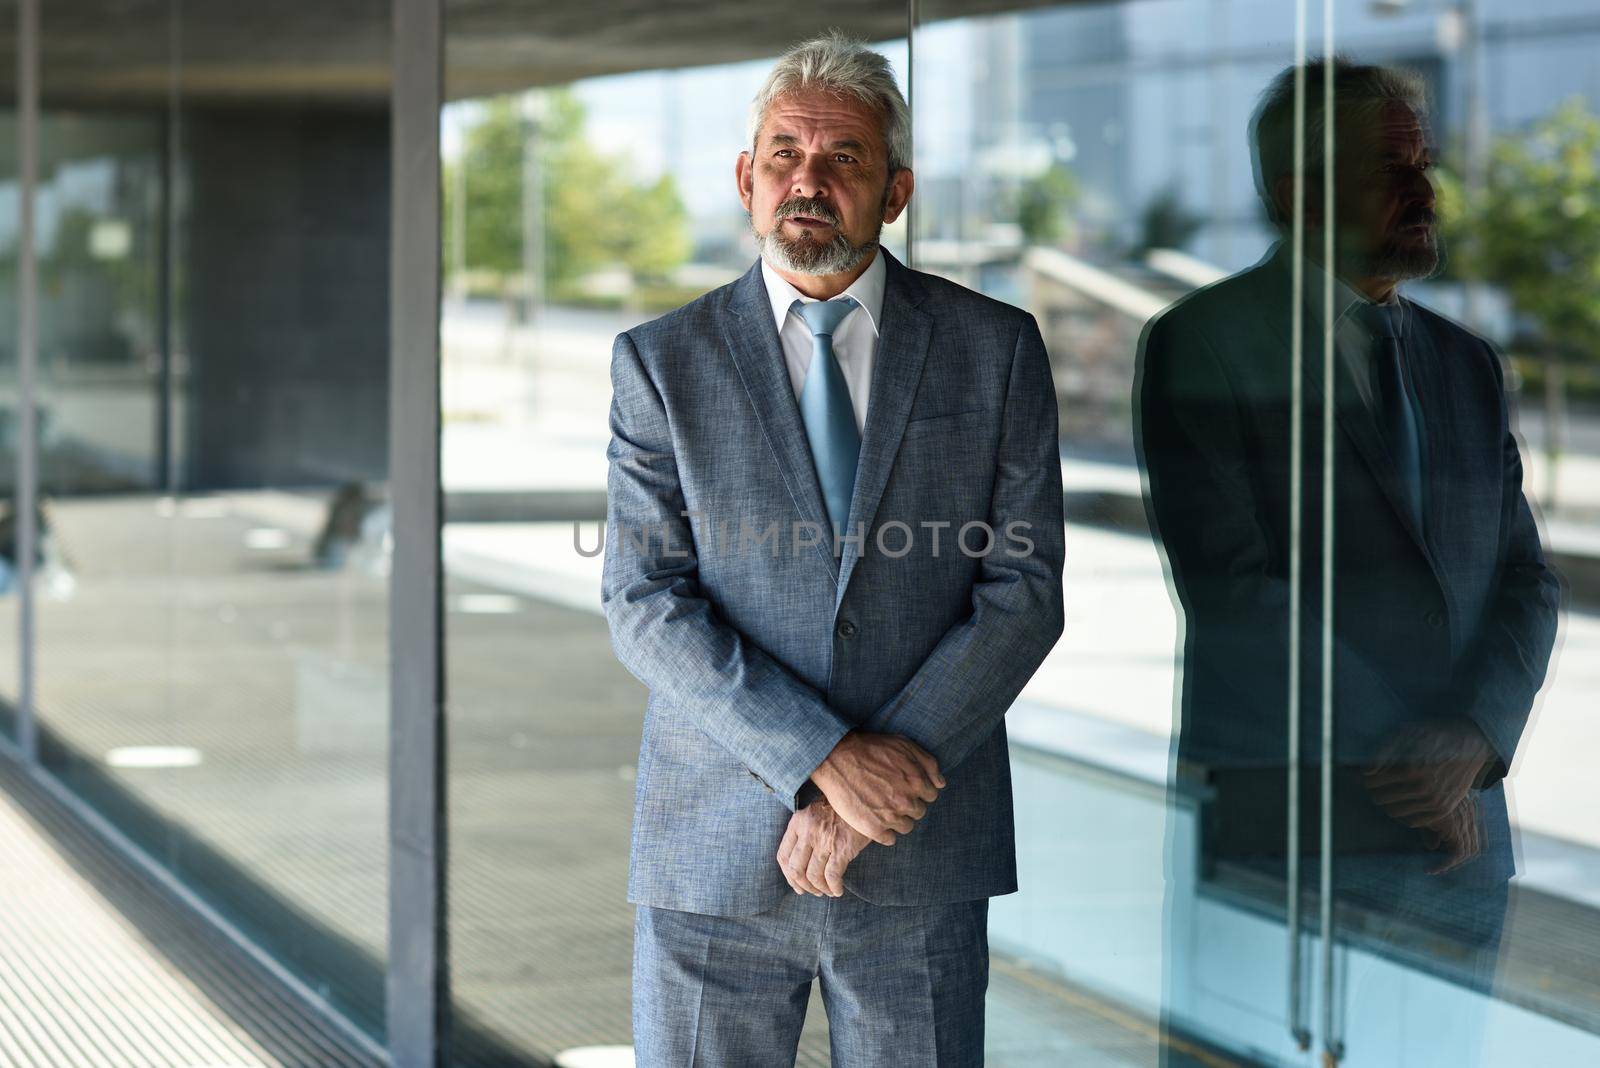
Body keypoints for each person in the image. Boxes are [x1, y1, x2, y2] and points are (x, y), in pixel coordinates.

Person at [601, 30, 1065, 1068]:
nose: (808, 180)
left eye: (842, 158)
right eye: (784, 155)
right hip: (714, 854)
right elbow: (643, 599)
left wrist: (876, 793)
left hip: (921, 849)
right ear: (745, 178)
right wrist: (822, 762)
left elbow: (1023, 592)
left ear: (893, 190)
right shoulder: (660, 362)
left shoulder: (994, 350)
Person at [1136, 56, 1561, 1042]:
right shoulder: (1203, 343)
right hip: (1292, 827)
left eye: (1424, 163)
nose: (1424, 191)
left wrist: (1469, 740)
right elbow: (1236, 593)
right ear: (1300, 195)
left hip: (1459, 837)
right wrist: (1411, 755)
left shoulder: (1466, 363)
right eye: (1389, 168)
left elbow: (1525, 580)